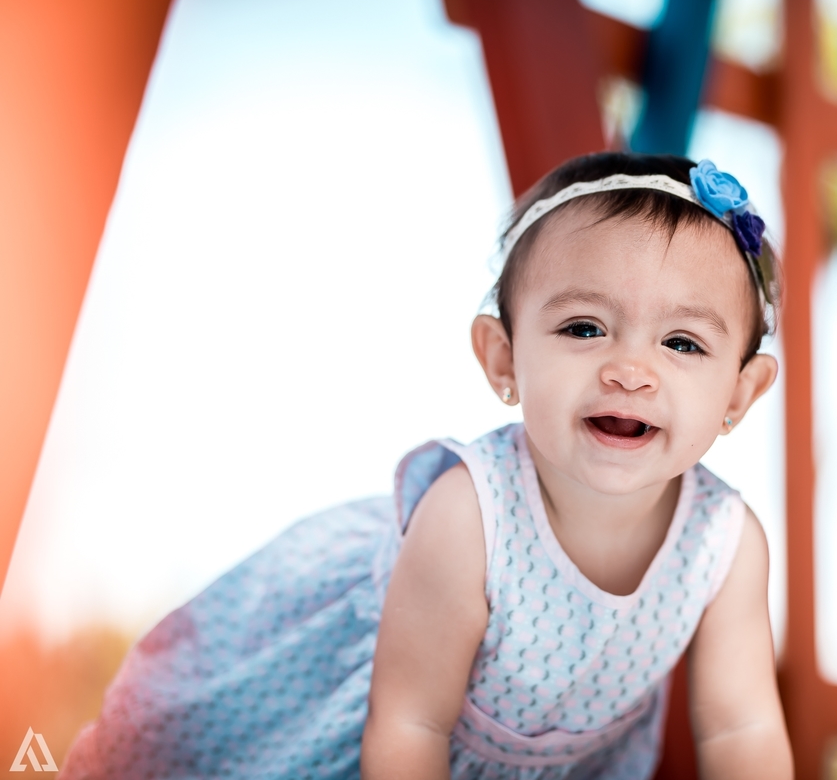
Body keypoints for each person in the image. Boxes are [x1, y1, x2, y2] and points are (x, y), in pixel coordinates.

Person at [59, 152, 793, 780]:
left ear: (741, 390)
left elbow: (742, 728)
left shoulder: (723, 541)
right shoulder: (471, 514)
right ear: (503, 358)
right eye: (584, 327)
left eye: (683, 343)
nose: (632, 370)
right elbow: (408, 722)